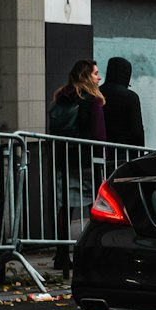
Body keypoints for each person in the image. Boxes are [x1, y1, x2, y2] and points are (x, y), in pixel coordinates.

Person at [49, 59, 106, 273]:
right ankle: (91, 253)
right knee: (97, 208)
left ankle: (61, 255)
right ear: (85, 76)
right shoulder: (92, 101)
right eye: (95, 74)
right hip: (86, 161)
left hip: (63, 160)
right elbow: (99, 135)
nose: (99, 78)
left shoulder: (60, 98)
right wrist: (102, 158)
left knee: (65, 206)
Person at [102, 56, 145, 147]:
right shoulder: (131, 97)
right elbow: (137, 132)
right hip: (124, 152)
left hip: (99, 151)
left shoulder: (96, 93)